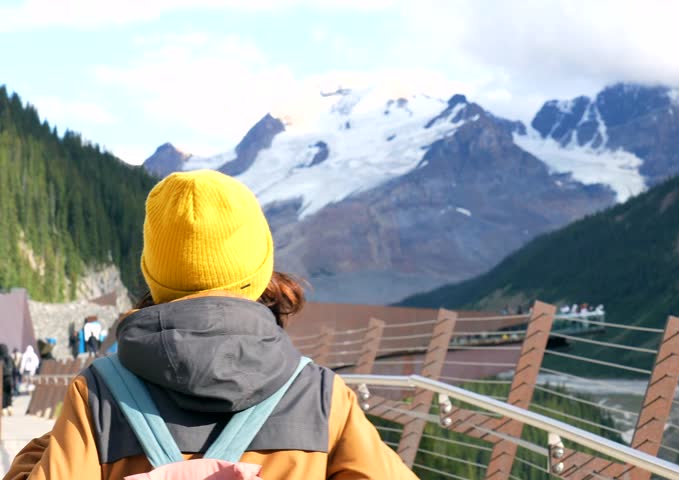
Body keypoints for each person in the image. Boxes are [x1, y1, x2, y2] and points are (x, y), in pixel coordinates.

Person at [4, 169, 418, 480]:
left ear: (153, 272)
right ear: (260, 267)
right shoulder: (322, 397)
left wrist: (51, 443)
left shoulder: (97, 393)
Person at [1, 344, 15, 416]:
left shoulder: (0, 358)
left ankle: (4, 409)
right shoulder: (10, 358)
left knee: (3, 393)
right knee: (9, 393)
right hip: (10, 378)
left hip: (2, 379)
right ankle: (10, 407)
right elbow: (14, 369)